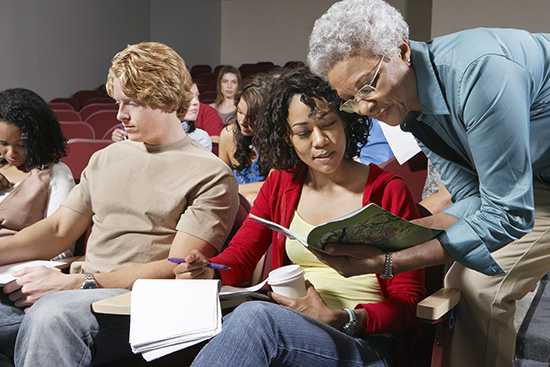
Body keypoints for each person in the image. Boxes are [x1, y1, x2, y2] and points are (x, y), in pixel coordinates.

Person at [307, 1, 550, 366]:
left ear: (402, 50)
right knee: (467, 282)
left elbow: (506, 214)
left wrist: (389, 260)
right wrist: (387, 235)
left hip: (530, 189)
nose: (363, 108)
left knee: (482, 286)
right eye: (349, 100)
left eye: (367, 86)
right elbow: (472, 198)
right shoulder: (409, 107)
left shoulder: (479, 72)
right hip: (535, 180)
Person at [0, 41, 239, 366]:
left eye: (134, 103)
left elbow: (178, 266)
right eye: (119, 101)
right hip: (81, 293)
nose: (120, 114)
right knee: (50, 312)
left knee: (52, 314)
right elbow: (58, 229)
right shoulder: (105, 158)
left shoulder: (211, 173)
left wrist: (77, 283)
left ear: (167, 100)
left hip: (139, 302)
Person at [176, 68, 425, 367]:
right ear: (288, 138)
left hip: (364, 344)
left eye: (328, 124)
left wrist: (345, 318)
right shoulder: (281, 183)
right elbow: (242, 255)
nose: (320, 141)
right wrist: (209, 271)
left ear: (345, 122)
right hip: (289, 333)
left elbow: (407, 302)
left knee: (255, 319)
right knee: (248, 321)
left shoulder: (387, 191)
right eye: (304, 132)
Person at [0, 88, 75, 260]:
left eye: (21, 144)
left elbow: (62, 248)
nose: (11, 153)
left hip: (17, 273)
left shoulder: (56, 173)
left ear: (39, 137)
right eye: (3, 143)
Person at [111, 83, 214, 151]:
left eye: (197, 96)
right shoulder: (146, 134)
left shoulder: (201, 138)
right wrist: (126, 143)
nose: (196, 102)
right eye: (190, 97)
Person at [218, 74, 272, 202]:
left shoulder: (279, 141)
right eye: (240, 112)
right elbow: (220, 181)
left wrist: (231, 190)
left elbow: (272, 187)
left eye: (251, 117)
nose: (242, 121)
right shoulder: (229, 135)